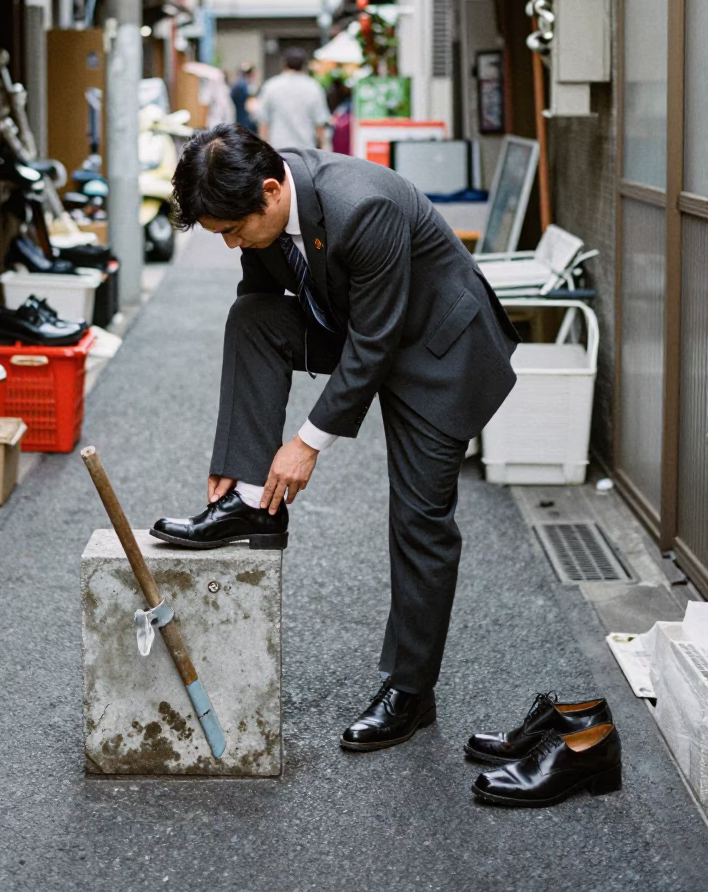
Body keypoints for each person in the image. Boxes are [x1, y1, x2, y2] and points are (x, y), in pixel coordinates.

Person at [152, 125, 519, 753]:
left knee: (419, 519)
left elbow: (376, 344)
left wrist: (306, 442)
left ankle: (410, 693)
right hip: (359, 323)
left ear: (271, 192)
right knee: (251, 317)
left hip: (436, 347)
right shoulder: (258, 208)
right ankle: (248, 503)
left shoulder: (361, 206)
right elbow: (263, 297)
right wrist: (238, 459)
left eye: (235, 232)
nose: (235, 243)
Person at [257, 47, 330, 149]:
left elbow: (263, 122)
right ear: (304, 65)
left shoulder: (271, 86)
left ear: (284, 63)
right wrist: (321, 148)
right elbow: (319, 124)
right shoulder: (314, 87)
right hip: (306, 151)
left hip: (277, 149)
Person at [230, 62, 257, 133]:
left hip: (237, 118)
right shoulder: (247, 86)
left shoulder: (237, 84)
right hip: (246, 121)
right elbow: (251, 105)